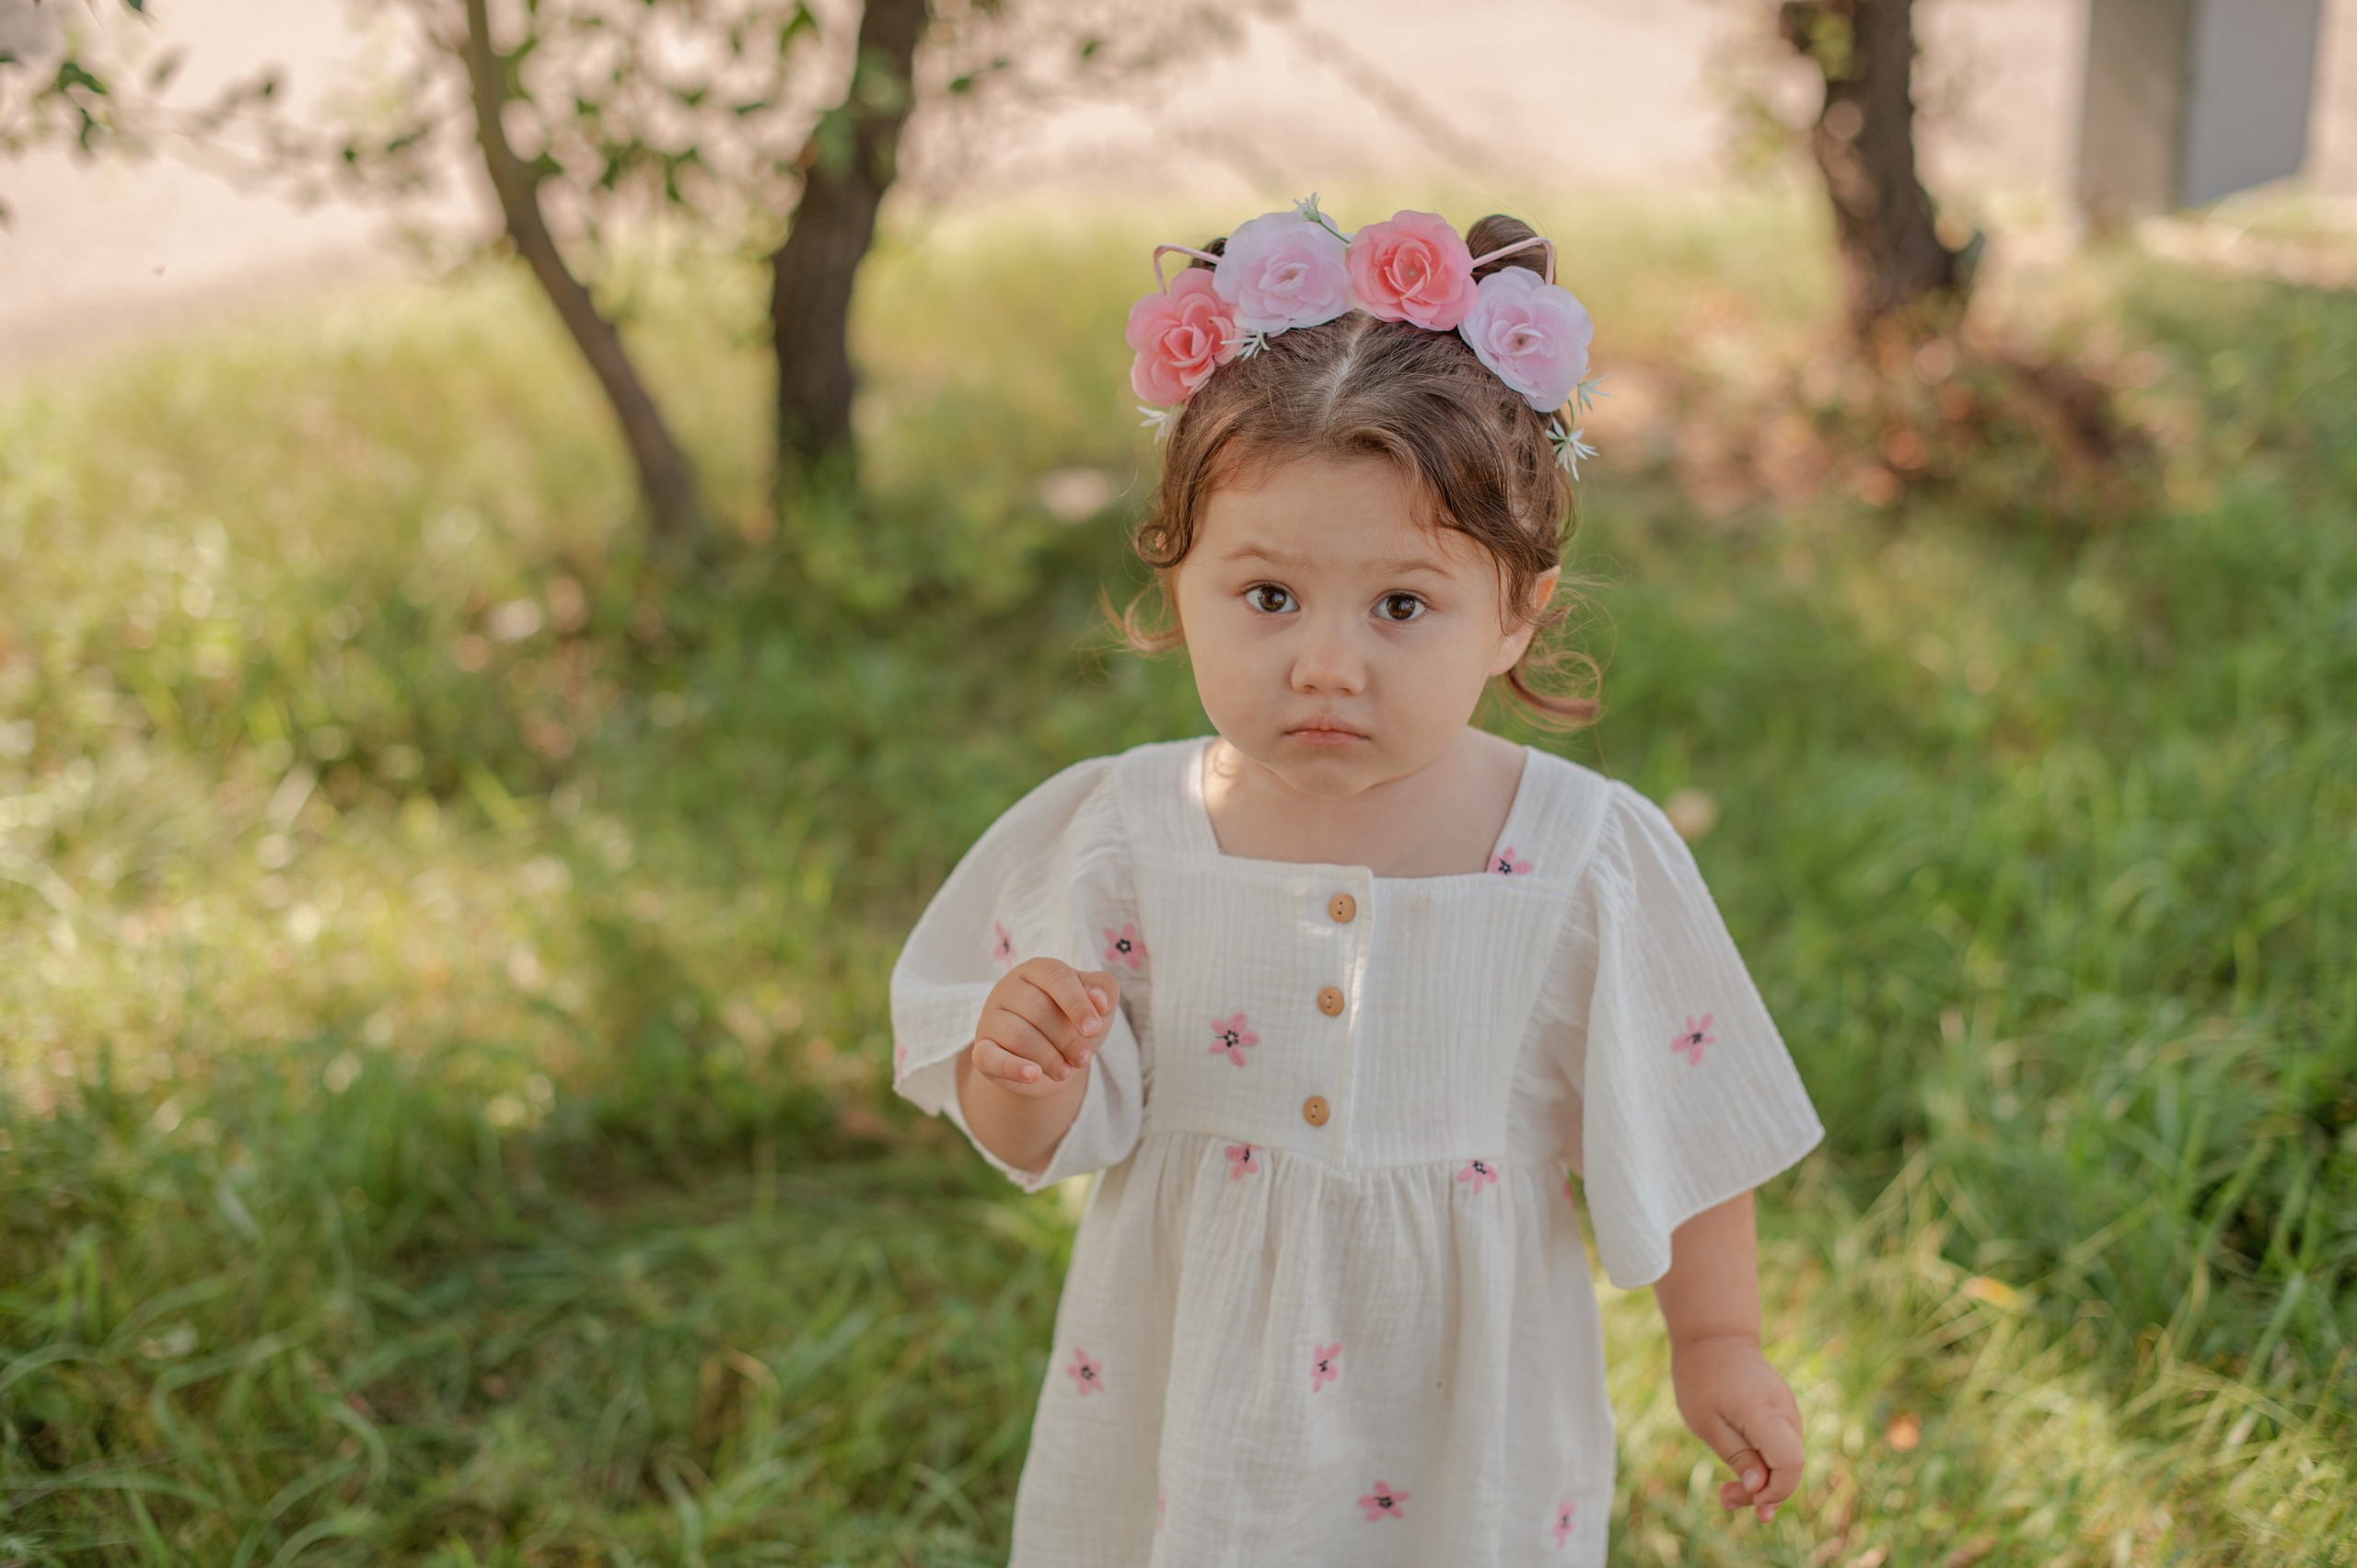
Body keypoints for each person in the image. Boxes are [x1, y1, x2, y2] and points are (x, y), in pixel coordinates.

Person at [890, 200, 1823, 1566]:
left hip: (1461, 1406)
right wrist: (1020, 1067)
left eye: (1401, 606)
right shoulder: (1127, 837)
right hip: (1185, 1393)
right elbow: (1040, 1138)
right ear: (1179, 581)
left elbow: (1686, 1122)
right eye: (1269, 597)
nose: (1327, 664)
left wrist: (1718, 1340)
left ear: (1517, 614)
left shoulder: (1582, 855)